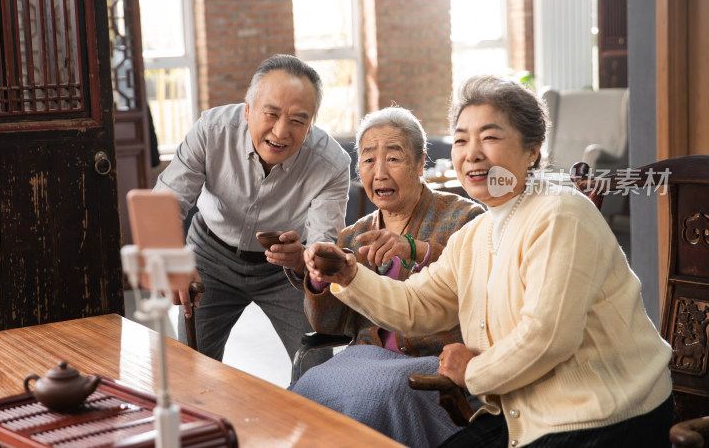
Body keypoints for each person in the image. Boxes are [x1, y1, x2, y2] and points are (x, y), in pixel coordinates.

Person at [304, 75, 674, 448]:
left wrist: (471, 372)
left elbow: (547, 338)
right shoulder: (476, 233)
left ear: (533, 150)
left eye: (490, 137)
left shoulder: (560, 213)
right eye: (462, 139)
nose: (472, 153)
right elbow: (417, 306)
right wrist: (349, 274)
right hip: (522, 413)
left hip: (601, 415)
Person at [290, 106, 484, 448]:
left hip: (434, 360)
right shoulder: (353, 236)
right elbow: (329, 326)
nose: (379, 173)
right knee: (306, 391)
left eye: (393, 158)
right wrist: (320, 278)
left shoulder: (464, 217)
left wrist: (417, 249)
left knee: (379, 398)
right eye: (368, 160)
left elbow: (473, 278)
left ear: (421, 163)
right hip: (365, 359)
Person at [154, 54, 350, 374]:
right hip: (210, 253)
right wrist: (172, 259)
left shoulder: (331, 164)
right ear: (247, 109)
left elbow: (323, 244)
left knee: (317, 368)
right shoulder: (212, 131)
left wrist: (303, 258)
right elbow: (166, 202)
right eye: (270, 113)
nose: (281, 131)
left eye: (298, 121)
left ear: (311, 123)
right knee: (190, 366)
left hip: (282, 271)